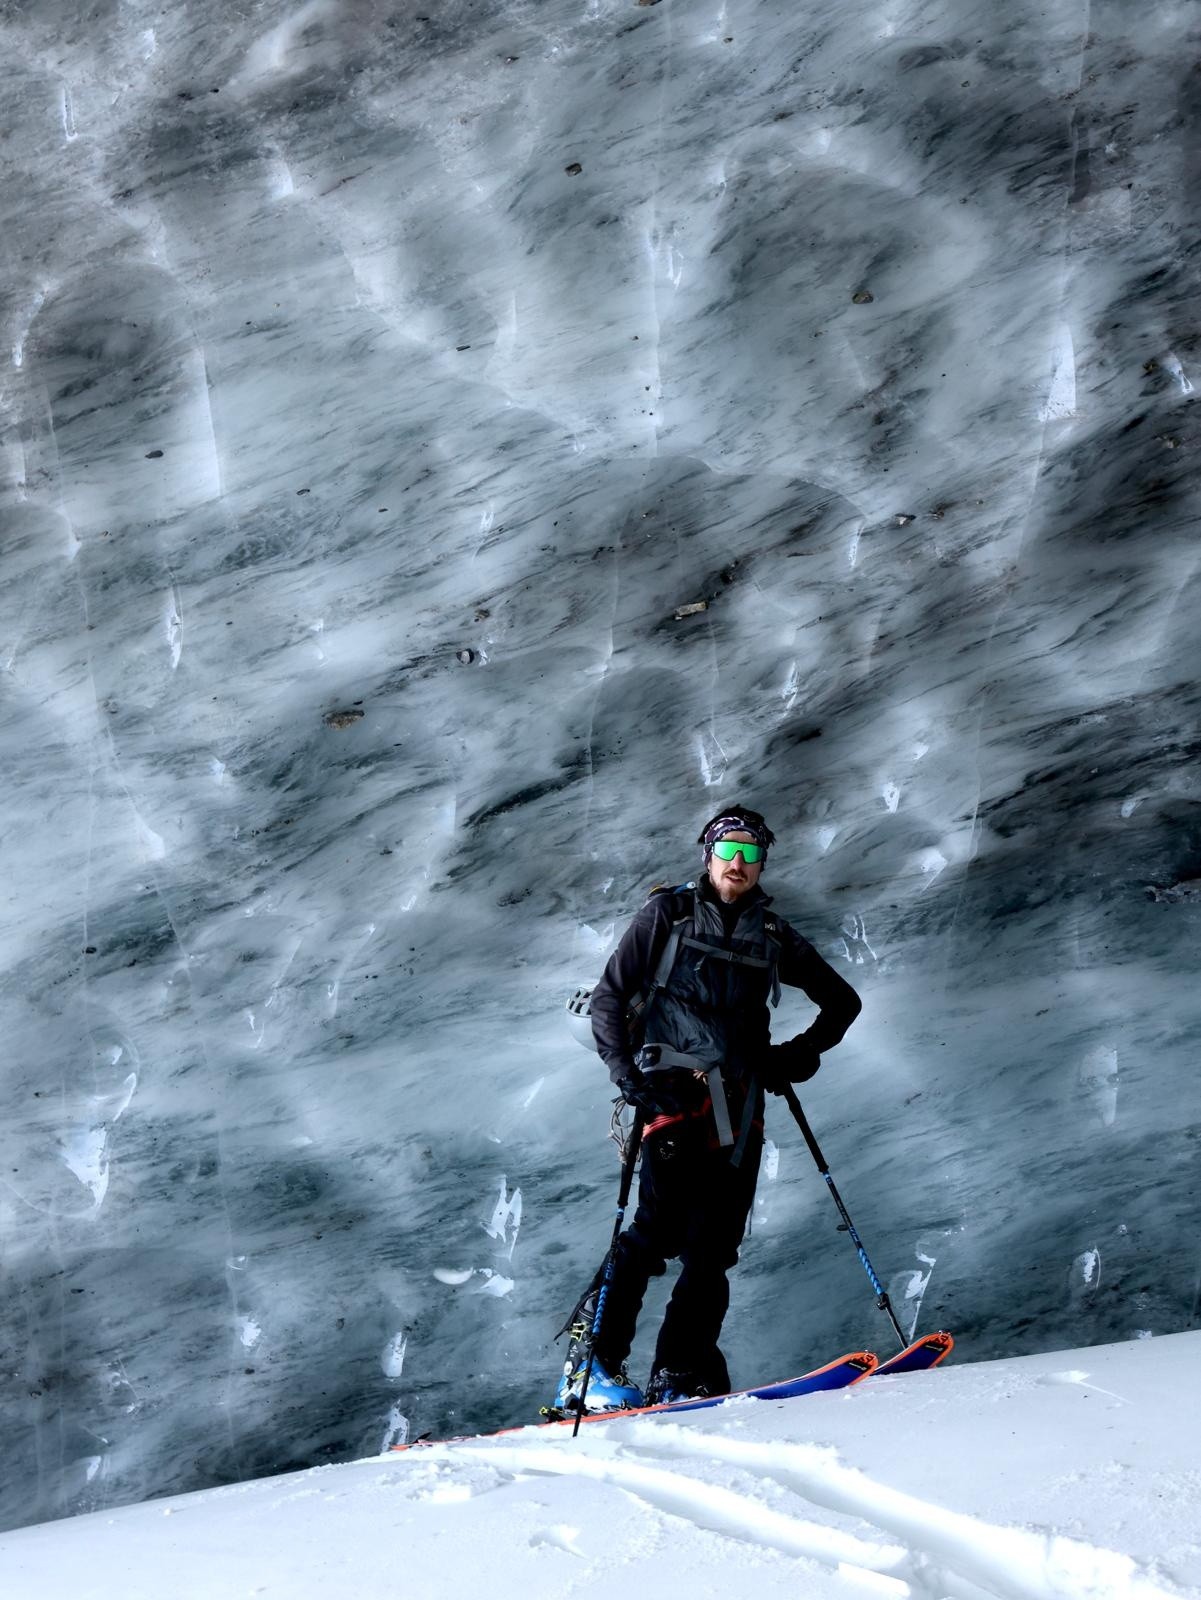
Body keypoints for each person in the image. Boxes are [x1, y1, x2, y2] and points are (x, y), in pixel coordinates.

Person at [553, 804, 863, 1413]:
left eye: (751, 853)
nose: (739, 864)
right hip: (671, 1097)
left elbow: (841, 1002)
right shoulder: (665, 914)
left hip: (740, 1113)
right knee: (651, 1236)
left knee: (713, 1251)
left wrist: (795, 1055)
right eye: (729, 851)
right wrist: (629, 1078)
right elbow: (611, 998)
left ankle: (680, 1372)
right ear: (708, 856)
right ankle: (590, 1367)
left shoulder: (772, 935)